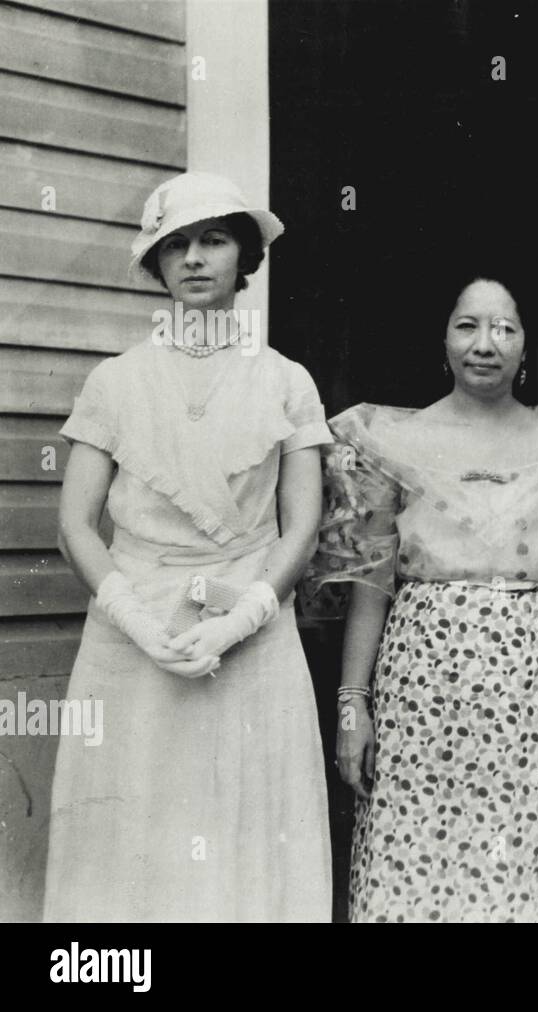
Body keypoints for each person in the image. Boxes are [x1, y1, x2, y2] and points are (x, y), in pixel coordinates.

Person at [308, 276, 538, 923]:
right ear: (443, 342)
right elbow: (370, 586)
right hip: (420, 692)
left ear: (526, 348)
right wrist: (353, 706)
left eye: (504, 328)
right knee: (415, 858)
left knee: (521, 863)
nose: (485, 344)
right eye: (468, 325)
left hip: (528, 693)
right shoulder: (391, 440)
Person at [46, 171, 333, 921]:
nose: (195, 259)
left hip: (251, 632)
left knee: (245, 819)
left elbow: (301, 526)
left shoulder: (286, 382)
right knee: (136, 827)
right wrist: (138, 623)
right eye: (176, 245)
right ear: (156, 264)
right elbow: (76, 525)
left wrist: (243, 619)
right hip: (133, 635)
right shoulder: (115, 382)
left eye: (214, 240)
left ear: (245, 256)